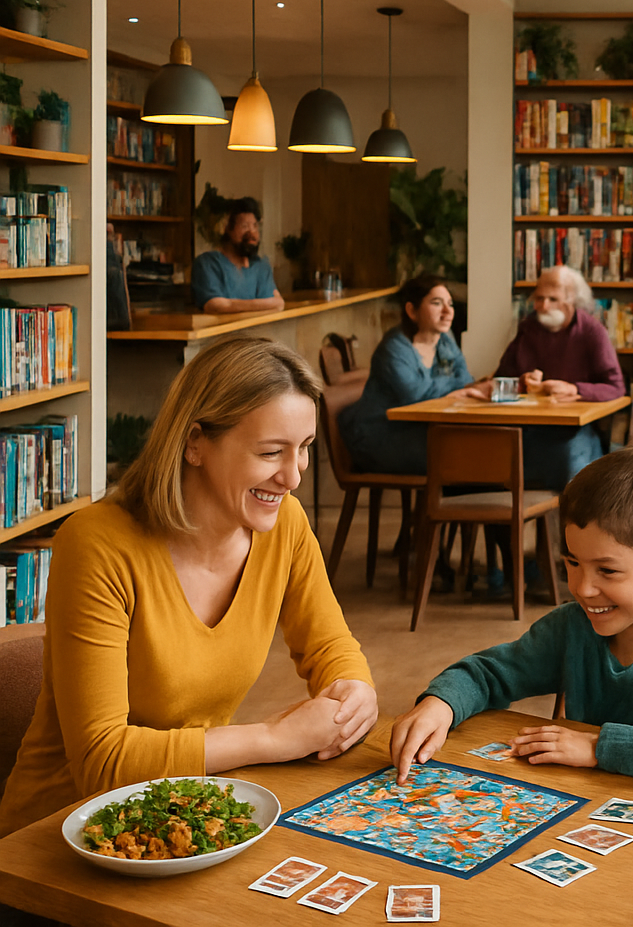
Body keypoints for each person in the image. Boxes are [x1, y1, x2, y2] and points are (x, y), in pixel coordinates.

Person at [0, 336, 376, 837]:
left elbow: (331, 648)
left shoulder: (283, 524)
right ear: (195, 442)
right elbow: (101, 761)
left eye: (304, 449)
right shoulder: (97, 545)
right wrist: (273, 738)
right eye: (271, 452)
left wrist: (355, 692)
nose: (293, 476)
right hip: (57, 841)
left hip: (185, 818)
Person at [390, 445, 633, 927]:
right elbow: (488, 673)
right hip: (595, 845)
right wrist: (440, 703)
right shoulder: (572, 627)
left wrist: (599, 746)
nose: (582, 587)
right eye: (571, 562)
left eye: (606, 570)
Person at [339, 275, 491, 476]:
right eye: (437, 303)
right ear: (412, 310)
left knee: (478, 445)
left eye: (450, 304)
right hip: (380, 438)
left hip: (418, 431)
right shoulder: (394, 347)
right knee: (464, 452)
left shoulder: (445, 339)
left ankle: (456, 504)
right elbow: (417, 395)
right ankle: (445, 506)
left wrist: (458, 390)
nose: (448, 312)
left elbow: (465, 381)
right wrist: (456, 390)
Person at [492, 265, 624, 489]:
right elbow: (501, 379)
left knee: (570, 457)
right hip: (527, 429)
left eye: (553, 299)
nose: (543, 306)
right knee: (486, 453)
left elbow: (615, 387)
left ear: (572, 299)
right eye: (539, 298)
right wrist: (524, 382)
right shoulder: (528, 328)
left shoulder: (592, 332)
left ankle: (572, 518)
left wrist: (575, 390)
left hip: (572, 432)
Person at [191, 197, 284, 314]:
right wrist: (267, 304)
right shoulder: (207, 263)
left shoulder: (260, 265)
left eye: (255, 226)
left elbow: (279, 303)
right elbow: (214, 305)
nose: (252, 233)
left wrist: (232, 304)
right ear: (227, 228)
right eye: (244, 226)